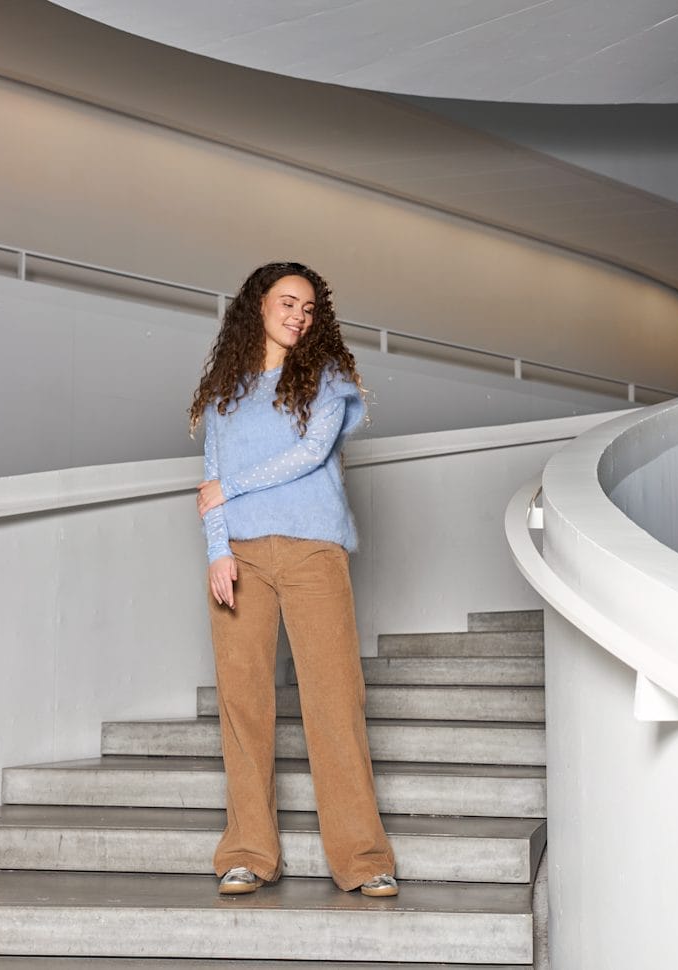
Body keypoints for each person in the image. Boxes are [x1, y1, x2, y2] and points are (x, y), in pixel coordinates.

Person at [188, 261, 398, 898]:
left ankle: (362, 859)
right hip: (241, 558)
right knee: (242, 704)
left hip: (313, 553)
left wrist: (232, 488)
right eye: (287, 302)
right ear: (258, 305)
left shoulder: (327, 377)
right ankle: (246, 852)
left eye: (309, 308)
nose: (299, 316)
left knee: (335, 700)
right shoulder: (226, 389)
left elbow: (310, 453)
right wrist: (217, 551)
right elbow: (209, 480)